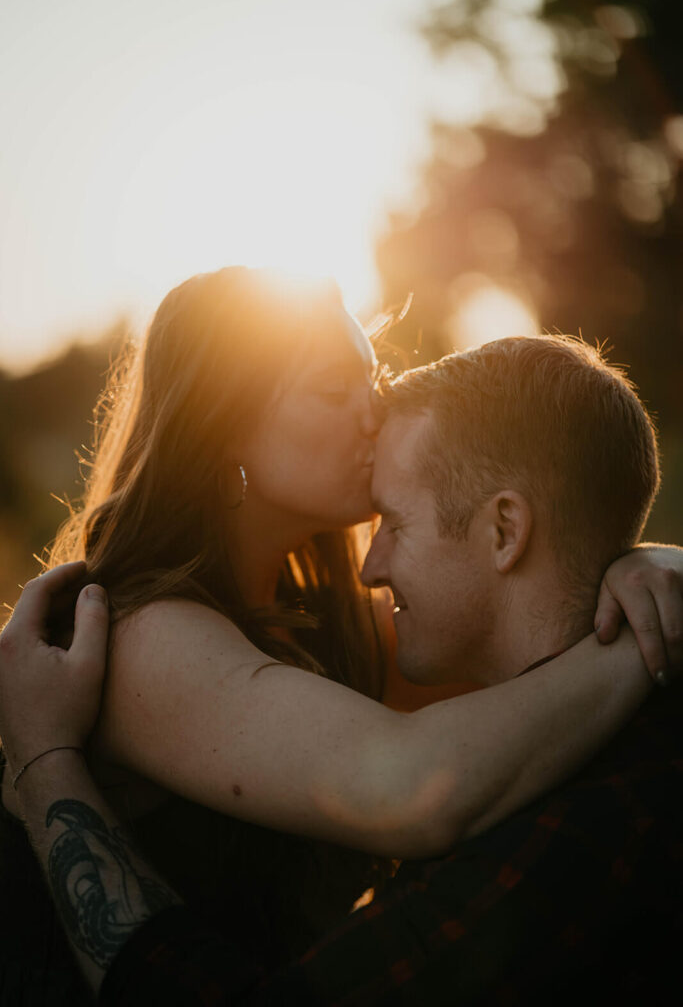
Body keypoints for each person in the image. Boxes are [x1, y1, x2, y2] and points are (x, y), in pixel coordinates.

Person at [0, 292, 675, 1002]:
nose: (372, 412)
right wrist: (639, 642)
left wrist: (646, 566)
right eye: (332, 390)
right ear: (222, 425)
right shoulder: (140, 637)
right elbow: (413, 784)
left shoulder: (326, 626)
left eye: (373, 378)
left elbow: (512, 627)